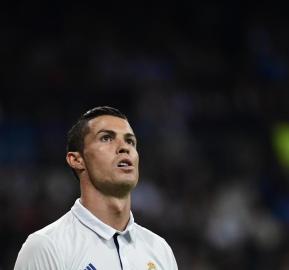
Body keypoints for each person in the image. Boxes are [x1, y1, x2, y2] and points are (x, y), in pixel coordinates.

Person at [14, 106, 178, 270]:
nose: (124, 147)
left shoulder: (160, 250)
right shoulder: (47, 246)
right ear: (76, 160)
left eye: (130, 141)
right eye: (106, 138)